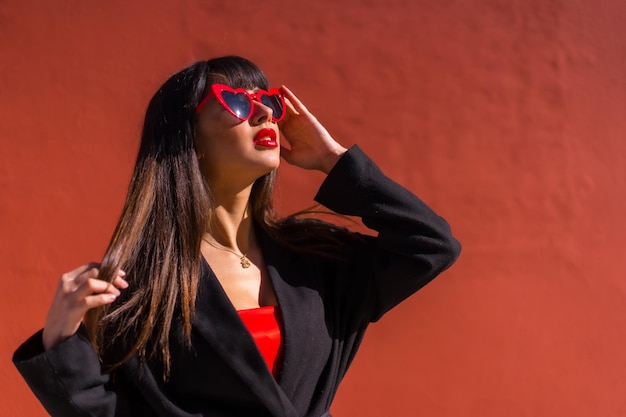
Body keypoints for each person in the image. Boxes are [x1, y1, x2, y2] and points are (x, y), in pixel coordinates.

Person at [13, 56, 461, 417]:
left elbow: (430, 246)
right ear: (190, 136)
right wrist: (60, 340)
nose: (265, 112)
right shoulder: (141, 287)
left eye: (268, 101)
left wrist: (336, 160)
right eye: (237, 103)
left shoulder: (315, 259)